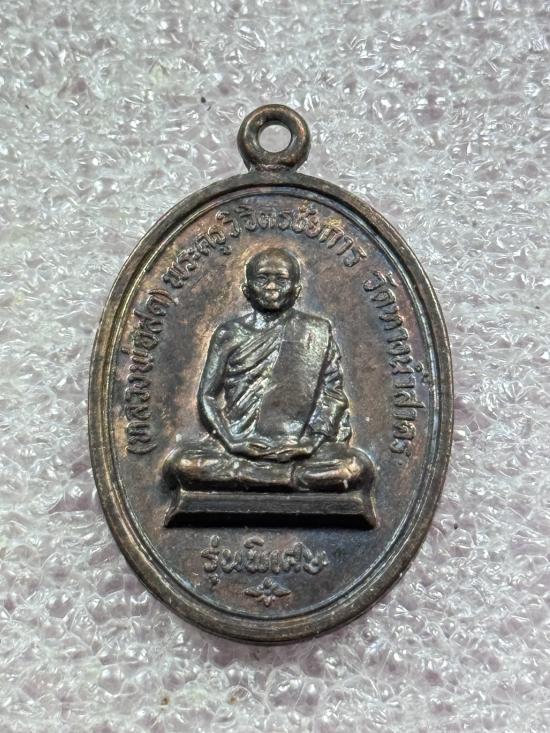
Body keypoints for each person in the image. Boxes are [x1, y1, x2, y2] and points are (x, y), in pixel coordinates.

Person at [163, 247, 374, 492]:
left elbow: (333, 394)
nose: (271, 287)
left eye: (281, 280)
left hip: (298, 447)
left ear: (296, 290)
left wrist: (310, 444)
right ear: (247, 289)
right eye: (262, 279)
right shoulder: (229, 334)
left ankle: (252, 477)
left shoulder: (317, 331)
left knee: (354, 467)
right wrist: (231, 442)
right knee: (182, 464)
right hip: (239, 443)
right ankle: (286, 479)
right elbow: (207, 396)